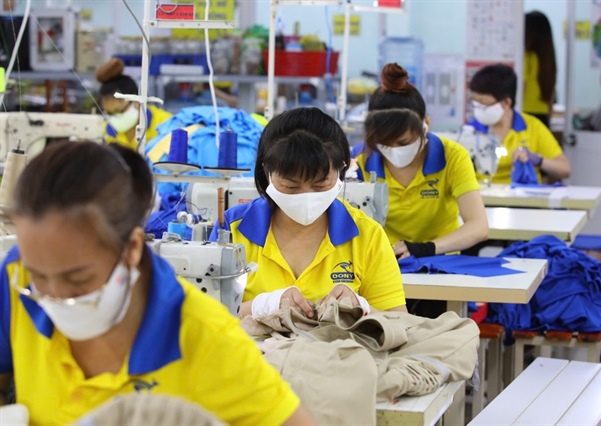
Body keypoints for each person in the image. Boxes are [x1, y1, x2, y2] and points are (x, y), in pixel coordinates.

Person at [0, 142, 314, 426]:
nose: (53, 296)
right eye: (38, 278)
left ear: (133, 248)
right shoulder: (18, 273)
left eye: (78, 279)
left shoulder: (205, 339)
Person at [211, 107, 407, 318]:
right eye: (290, 186)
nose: (306, 197)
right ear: (266, 172)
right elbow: (203, 314)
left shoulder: (367, 235)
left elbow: (400, 322)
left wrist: (362, 308)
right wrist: (260, 307)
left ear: (341, 170)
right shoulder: (232, 229)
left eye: (320, 185)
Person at [352, 63, 489, 261]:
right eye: (384, 143)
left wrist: (424, 249)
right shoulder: (359, 160)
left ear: (426, 124)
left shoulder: (452, 156)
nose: (394, 149)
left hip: (440, 261)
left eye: (403, 142)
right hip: (382, 262)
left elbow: (478, 227)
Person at [468, 63, 571, 184]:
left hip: (522, 194)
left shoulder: (532, 127)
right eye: (475, 102)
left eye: (483, 102)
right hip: (482, 194)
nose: (477, 108)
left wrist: (537, 160)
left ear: (506, 103)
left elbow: (565, 169)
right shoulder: (470, 131)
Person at [96, 58, 172, 151]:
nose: (114, 118)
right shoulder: (107, 132)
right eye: (109, 113)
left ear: (137, 102)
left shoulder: (166, 124)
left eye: (119, 111)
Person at [523, 11, 557, 128]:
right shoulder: (547, 60)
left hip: (525, 115)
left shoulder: (527, 57)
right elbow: (551, 97)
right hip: (543, 118)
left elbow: (521, 88)